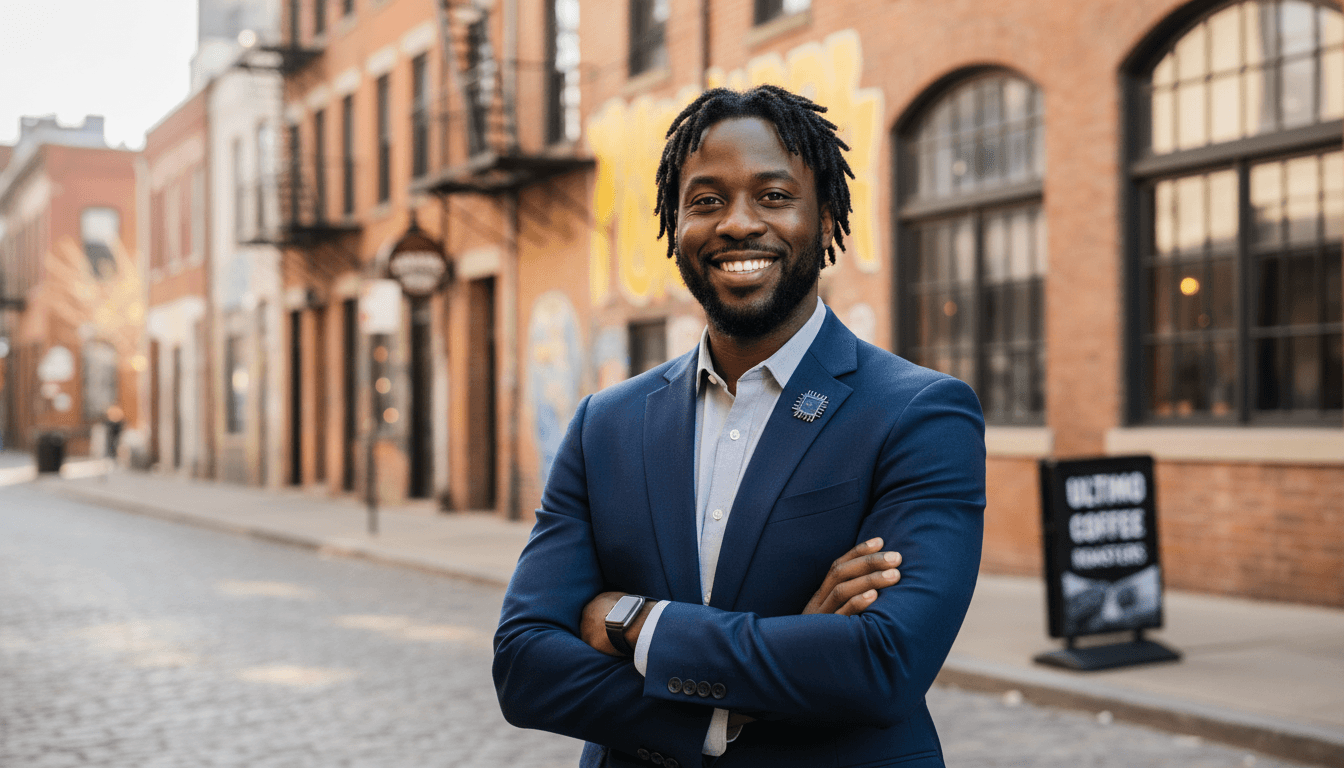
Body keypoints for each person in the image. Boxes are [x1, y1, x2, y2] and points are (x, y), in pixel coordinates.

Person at [494, 85, 985, 768]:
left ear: (826, 216)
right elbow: (523, 665)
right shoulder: (605, 423)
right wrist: (738, 698)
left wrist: (636, 624)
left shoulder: (920, 413)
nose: (737, 223)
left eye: (775, 196)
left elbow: (883, 664)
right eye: (707, 201)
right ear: (675, 224)